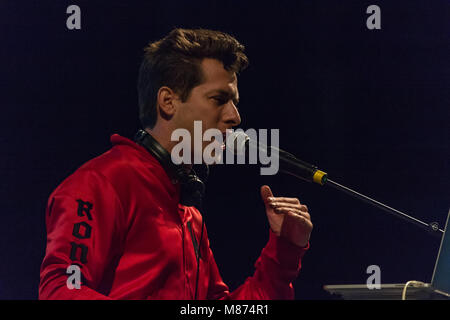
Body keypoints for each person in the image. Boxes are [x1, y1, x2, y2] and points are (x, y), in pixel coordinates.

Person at [39, 28, 313, 300]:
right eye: (219, 99)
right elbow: (60, 291)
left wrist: (285, 250)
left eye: (235, 102)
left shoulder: (188, 213)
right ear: (168, 101)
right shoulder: (99, 184)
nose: (235, 116)